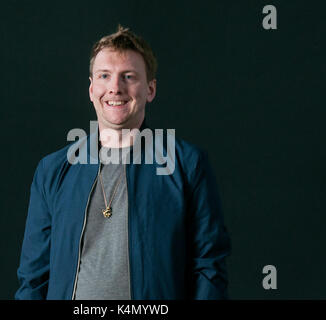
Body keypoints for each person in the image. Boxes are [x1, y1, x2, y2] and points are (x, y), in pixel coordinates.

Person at [15, 25, 231, 300]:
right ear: (92, 89)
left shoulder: (188, 165)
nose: (115, 87)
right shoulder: (53, 170)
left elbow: (209, 267)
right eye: (105, 76)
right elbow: (33, 278)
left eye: (128, 77)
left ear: (150, 89)